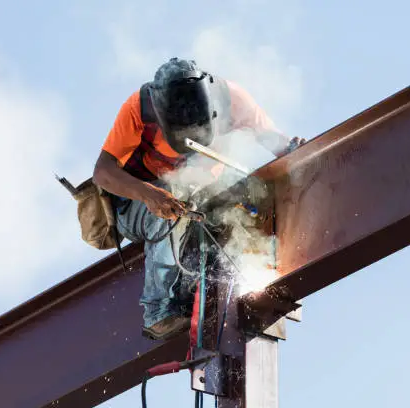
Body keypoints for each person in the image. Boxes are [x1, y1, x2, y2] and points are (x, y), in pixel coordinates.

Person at [92, 57, 304, 340]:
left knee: (245, 196)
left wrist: (297, 152)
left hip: (198, 197)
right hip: (137, 205)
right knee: (171, 205)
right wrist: (149, 194)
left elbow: (275, 142)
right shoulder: (138, 110)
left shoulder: (232, 99)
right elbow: (102, 173)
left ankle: (222, 281)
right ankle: (158, 311)